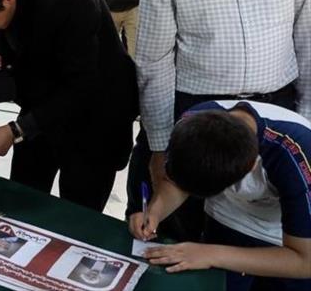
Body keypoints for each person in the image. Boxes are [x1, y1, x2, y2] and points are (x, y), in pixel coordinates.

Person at [132, 0, 311, 242]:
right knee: (186, 227)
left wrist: (306, 116)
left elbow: (308, 31)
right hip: (197, 112)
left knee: (269, 225)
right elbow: (154, 61)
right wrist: (161, 149)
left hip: (275, 108)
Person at [0, 0, 137, 211]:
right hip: (43, 108)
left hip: (95, 118)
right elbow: (15, 31)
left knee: (77, 213)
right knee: (23, 197)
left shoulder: (69, 0)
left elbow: (82, 86)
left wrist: (16, 130)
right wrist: (2, 52)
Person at [129, 101, 311, 289]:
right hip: (224, 221)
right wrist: (156, 210)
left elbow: (305, 261)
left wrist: (209, 255)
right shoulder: (191, 125)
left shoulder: (297, 157)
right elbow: (178, 182)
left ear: (251, 166)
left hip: (285, 239)